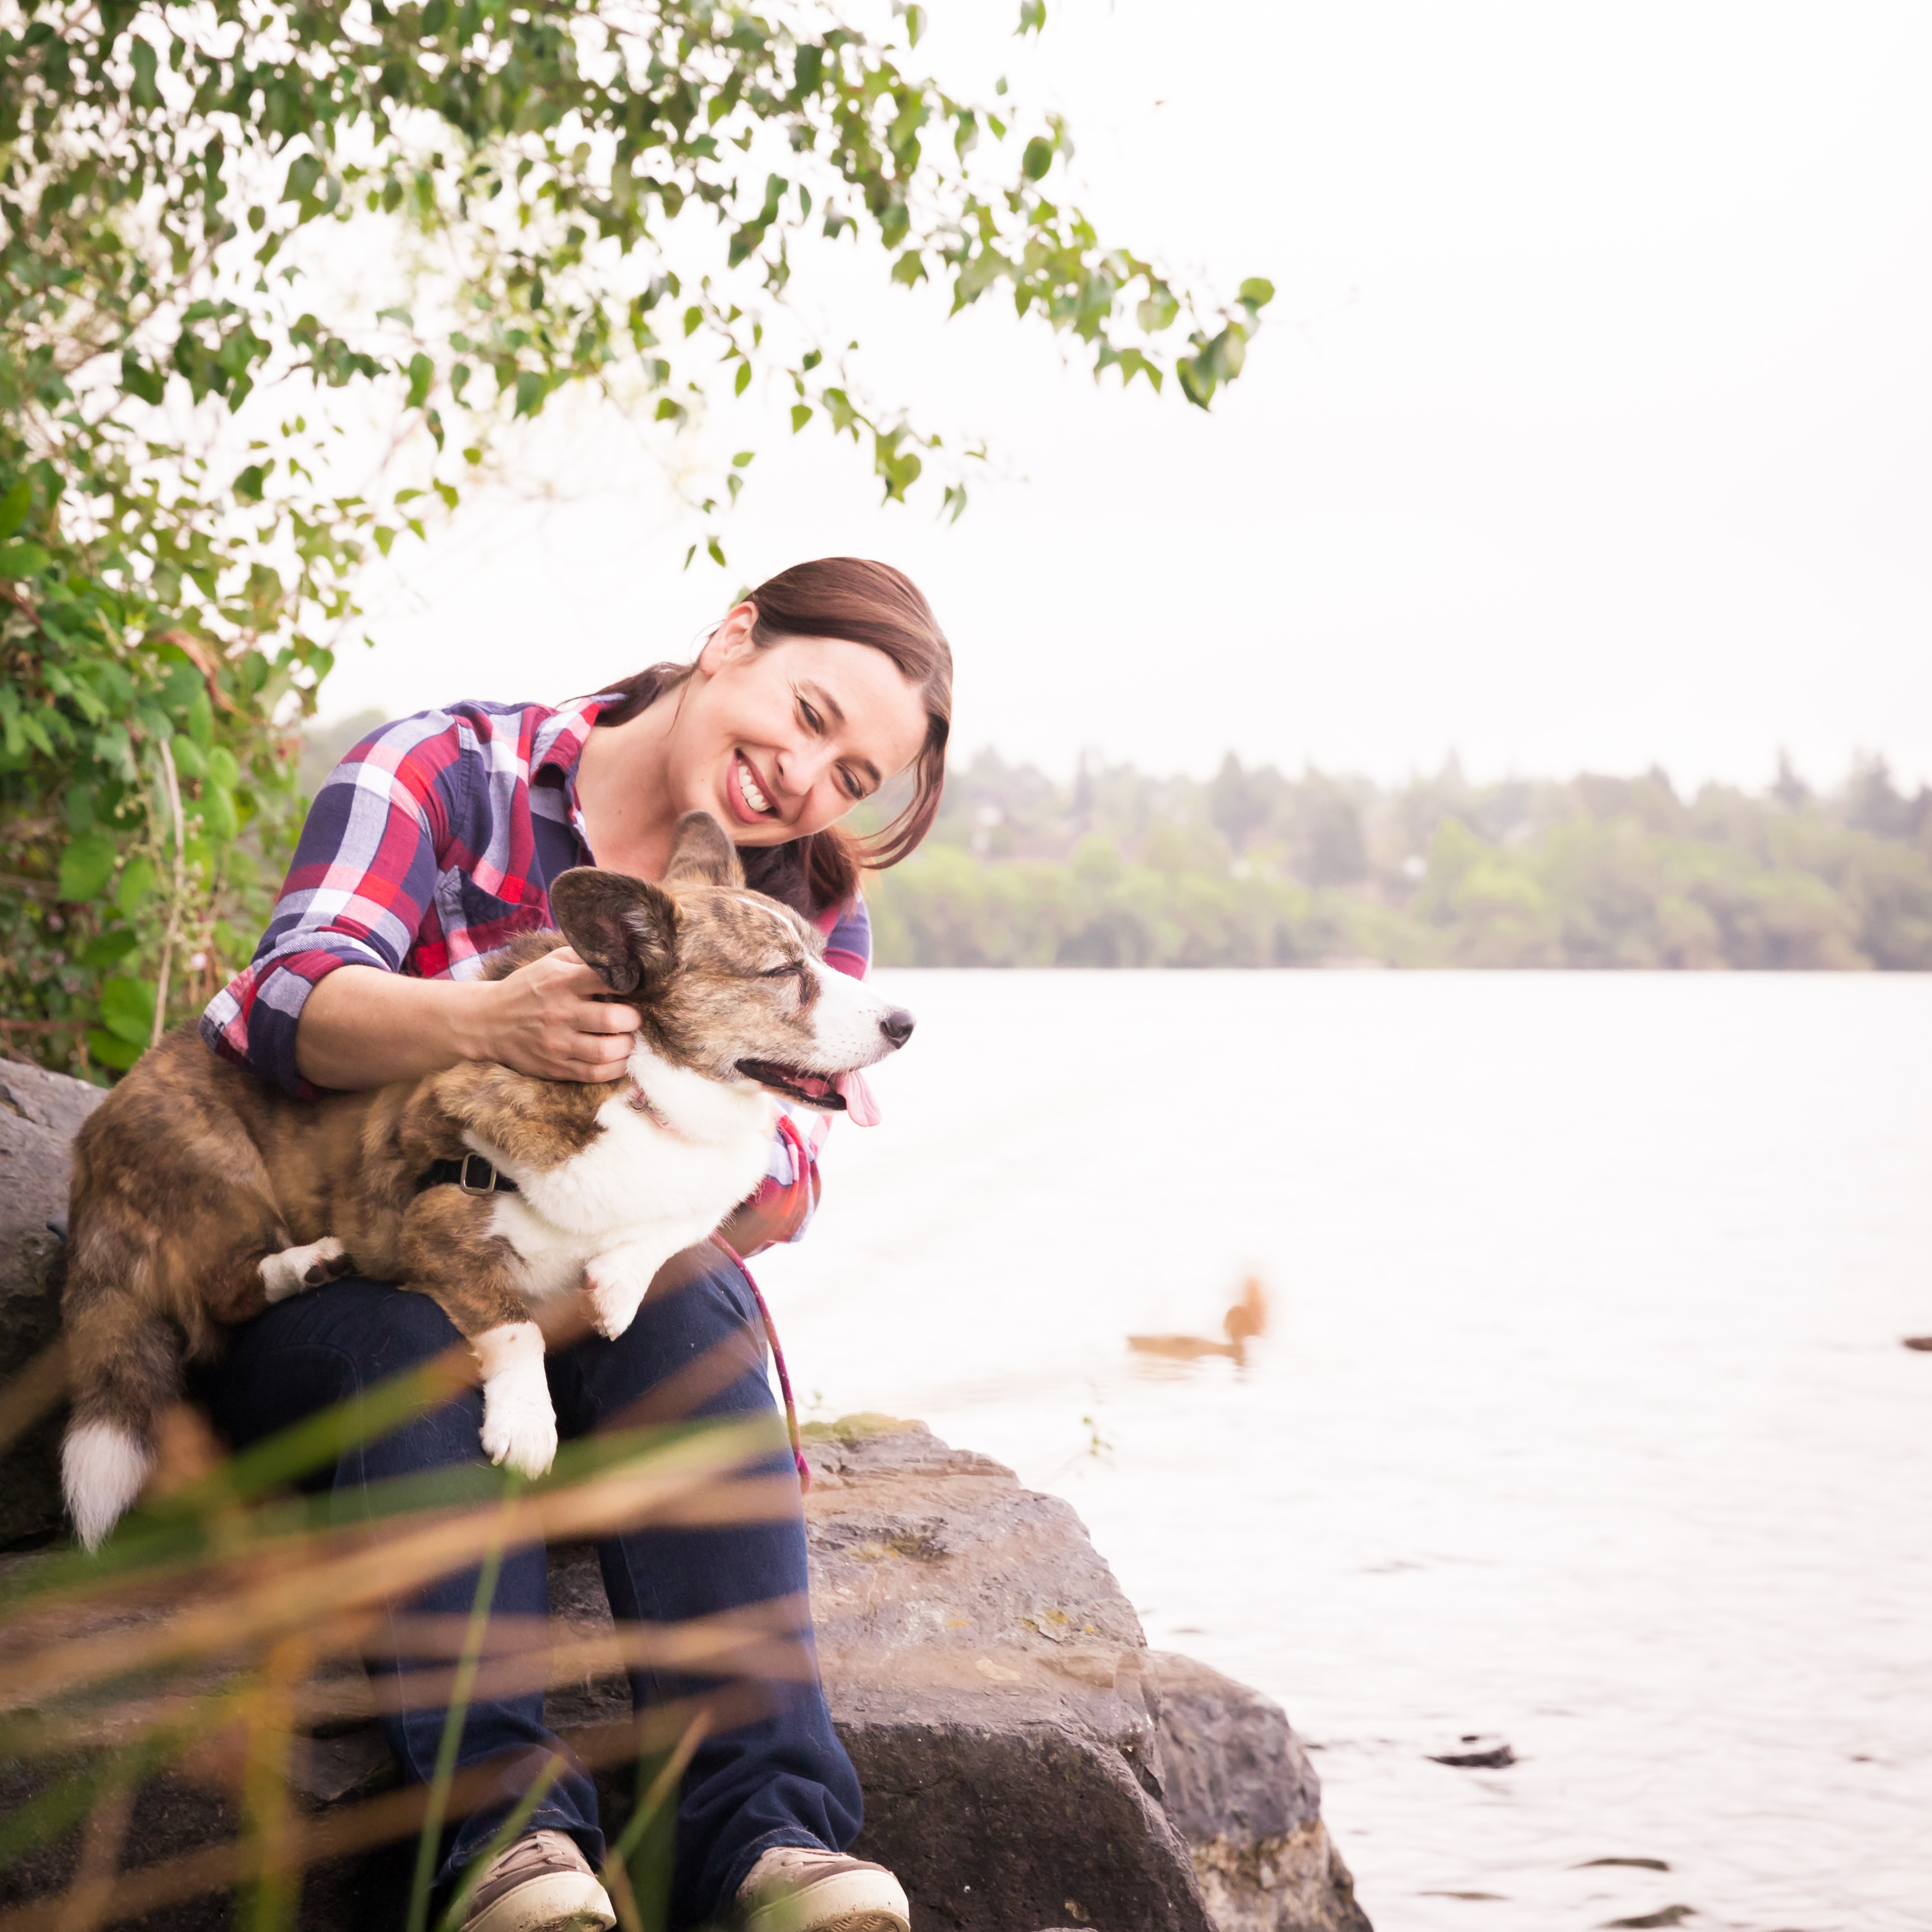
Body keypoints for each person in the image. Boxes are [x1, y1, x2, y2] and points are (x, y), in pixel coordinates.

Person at [194, 559, 951, 1932]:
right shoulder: (445, 770)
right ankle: (508, 1846)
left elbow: (785, 1173)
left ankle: (766, 1836)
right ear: (733, 638)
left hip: (587, 1311)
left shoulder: (800, 901)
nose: (805, 778)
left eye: (853, 775)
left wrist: (670, 1181)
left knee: (695, 1298)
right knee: (399, 1334)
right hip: (352, 1275)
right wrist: (482, 1027)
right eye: (810, 711)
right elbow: (280, 1005)